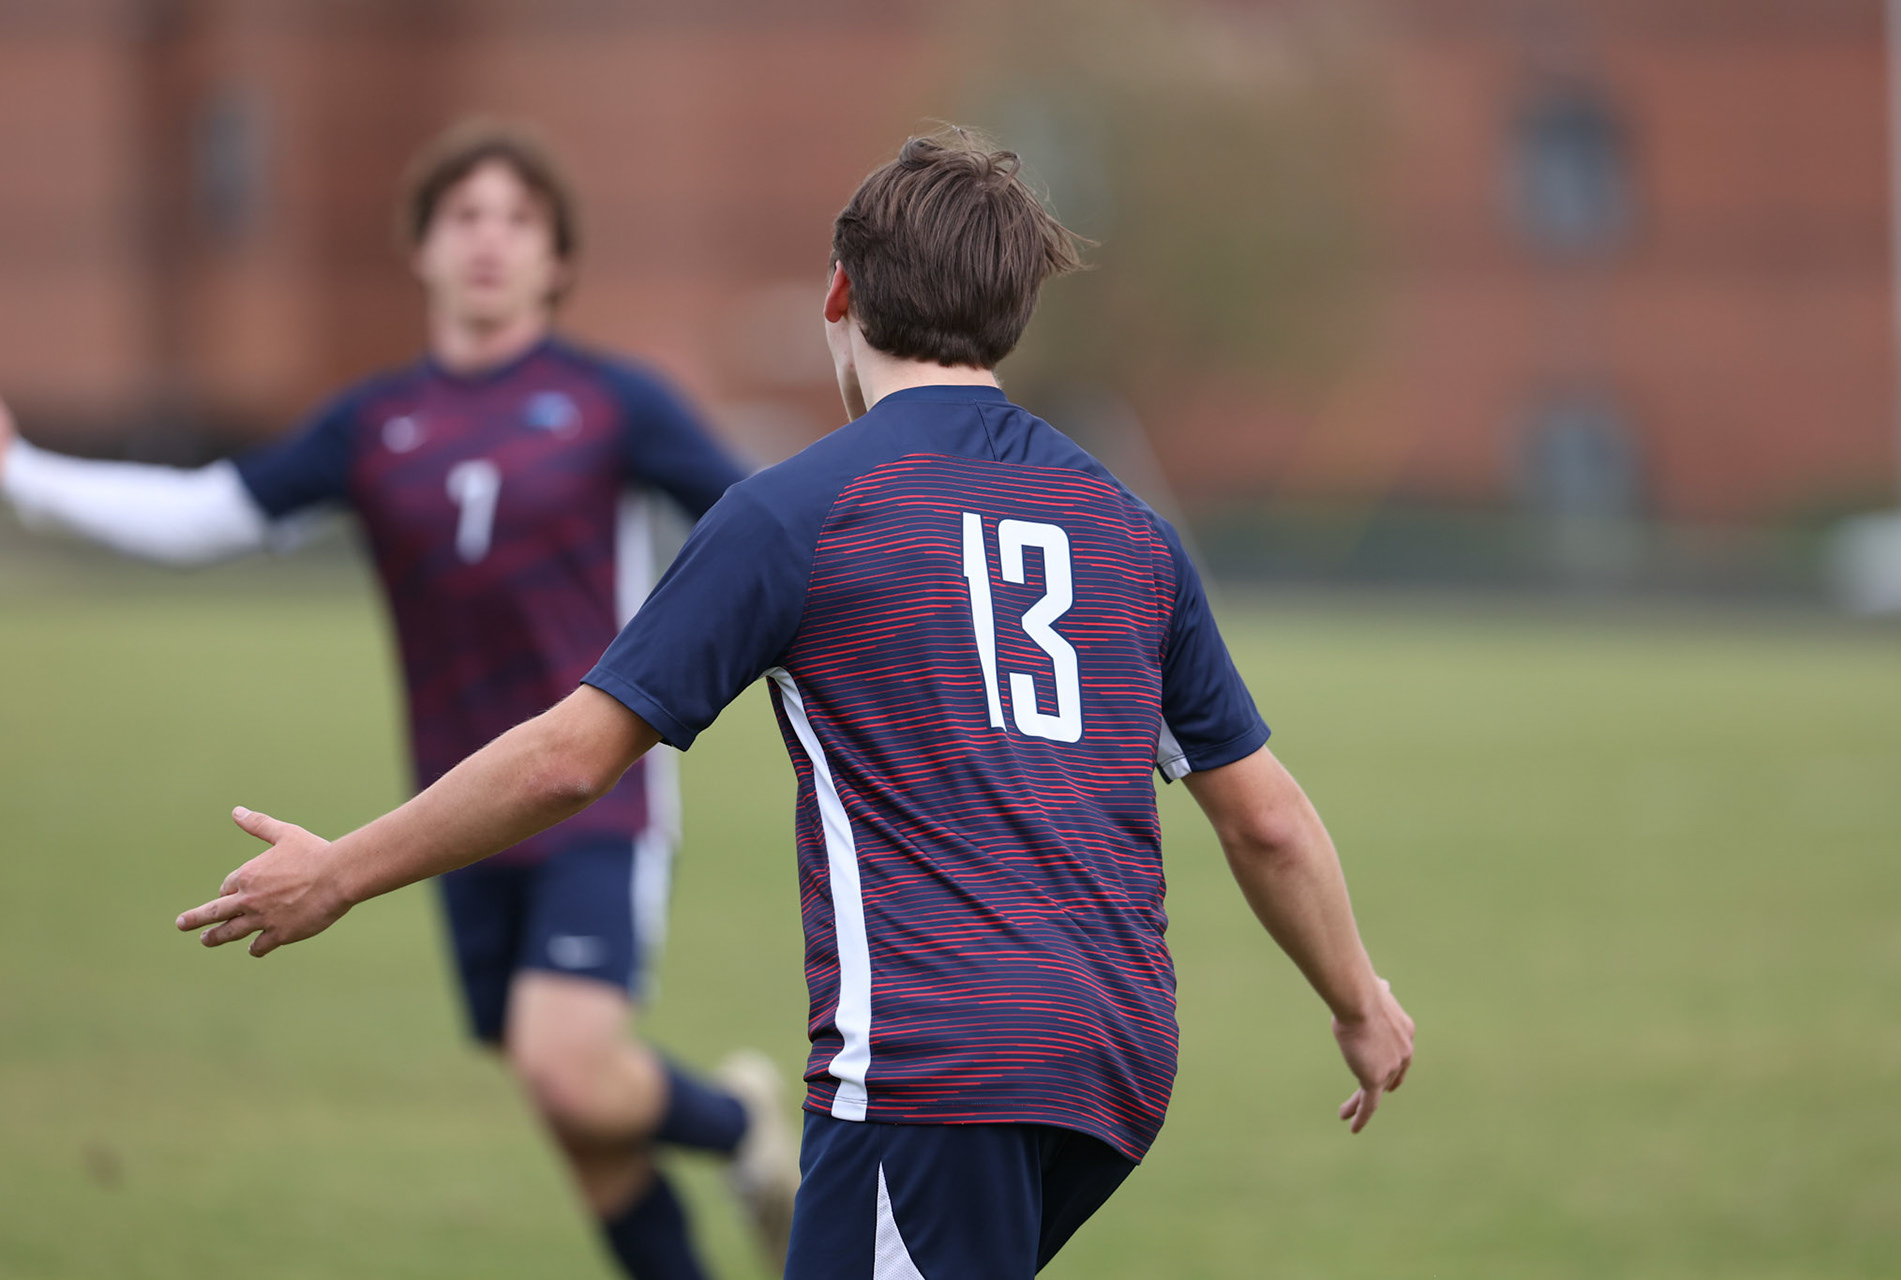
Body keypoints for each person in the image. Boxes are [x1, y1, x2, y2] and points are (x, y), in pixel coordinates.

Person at [173, 128, 1417, 1280]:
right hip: (1117, 1058)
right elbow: (1264, 817)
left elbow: (569, 760)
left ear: (838, 294)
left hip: (940, 1068)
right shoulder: (1130, 530)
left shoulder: (798, 510)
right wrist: (1358, 1000)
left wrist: (341, 870)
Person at [0, 120, 796, 1280]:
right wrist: (21, 471)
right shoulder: (373, 423)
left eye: (517, 220)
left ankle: (745, 1130)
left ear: (559, 261)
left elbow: (757, 530)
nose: (488, 240)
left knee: (565, 1064)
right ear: (419, 249)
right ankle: (737, 1135)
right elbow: (199, 513)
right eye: (462, 216)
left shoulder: (613, 401)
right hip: (451, 807)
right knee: (582, 1125)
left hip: (595, 794)